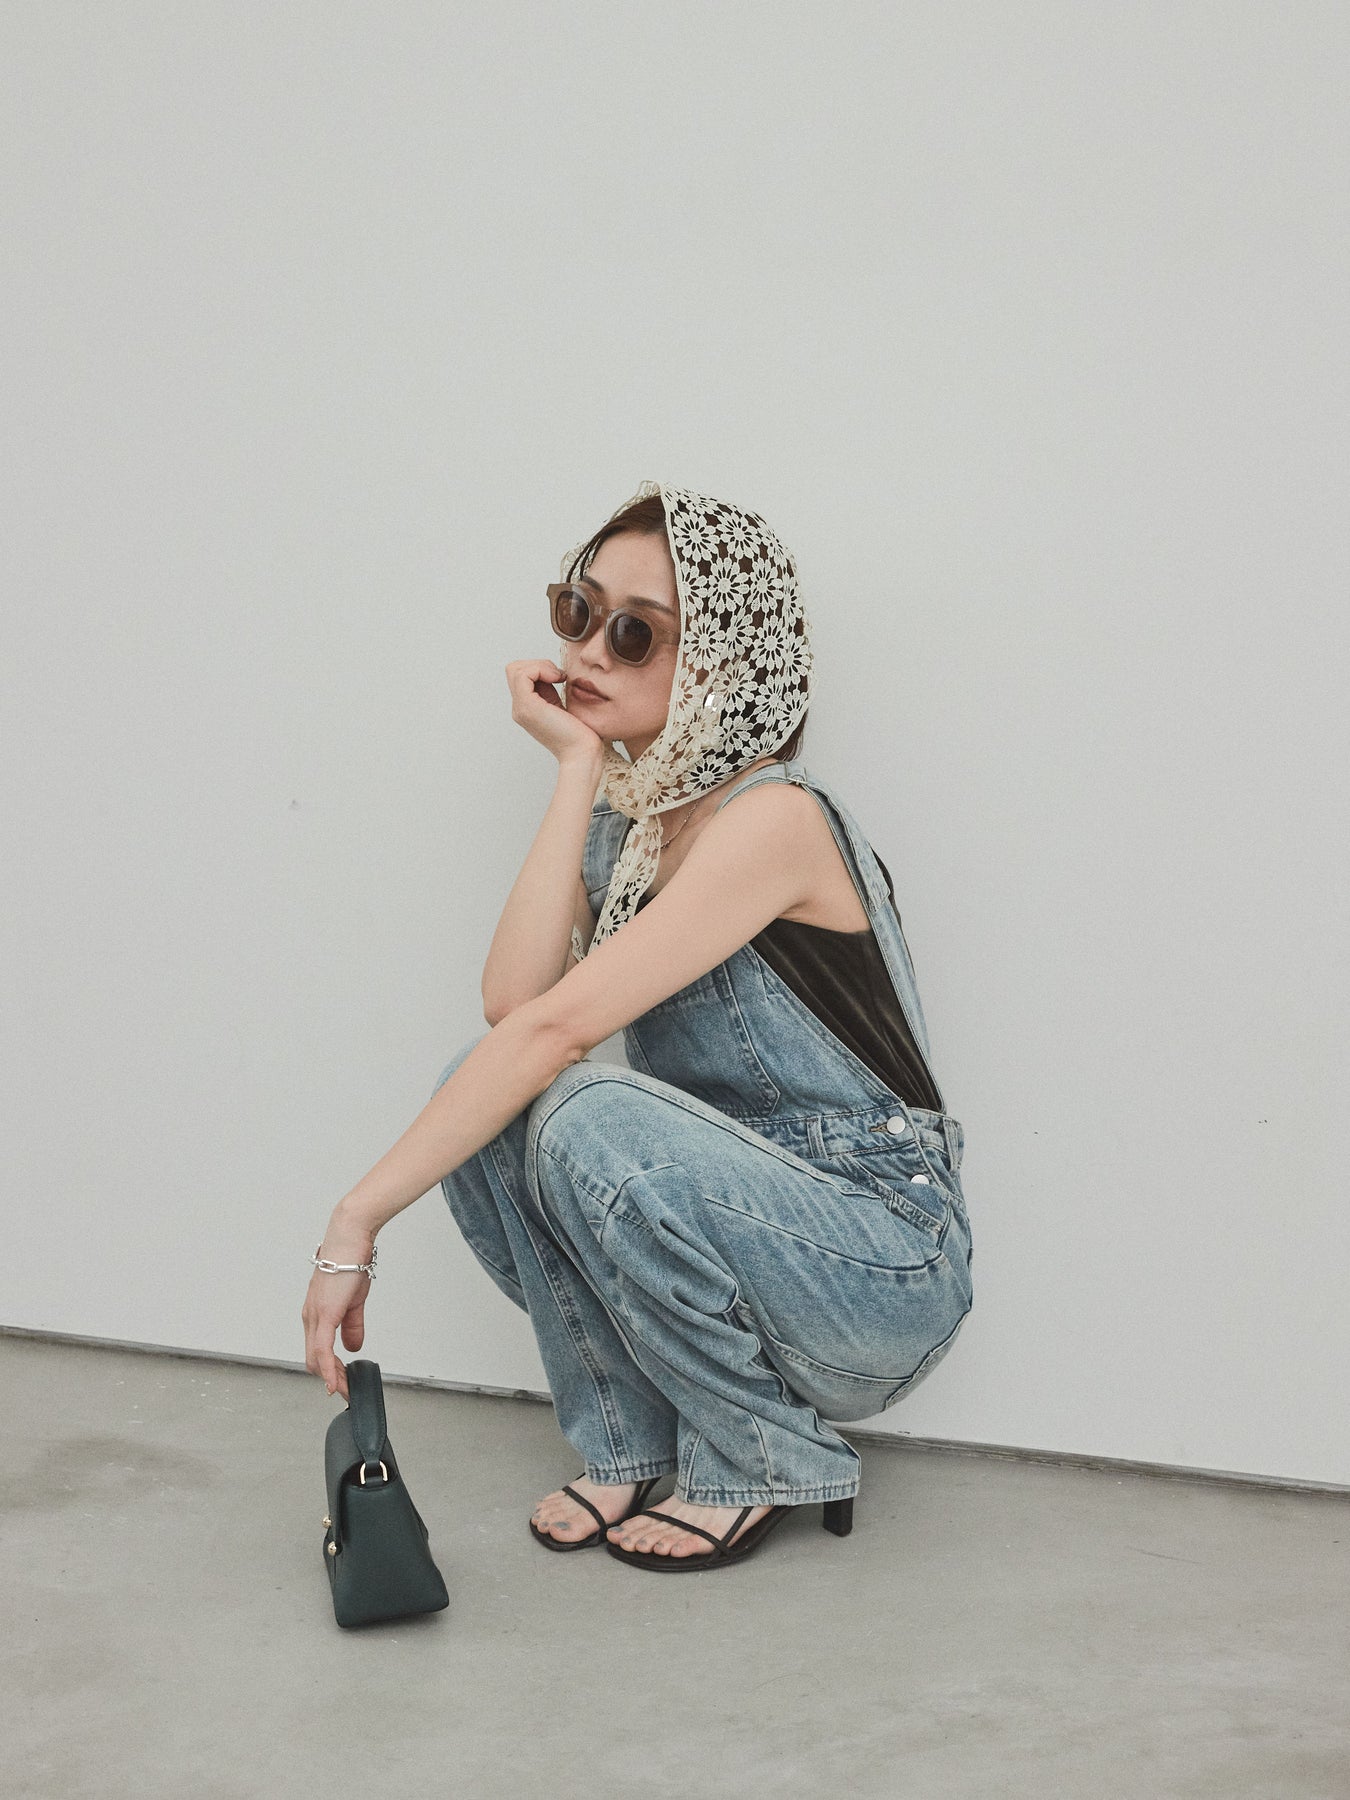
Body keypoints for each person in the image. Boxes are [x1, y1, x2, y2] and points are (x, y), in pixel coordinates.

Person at [301, 480, 973, 1572]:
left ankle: (762, 1454)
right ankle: (626, 1443)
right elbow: (513, 1007)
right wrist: (578, 769)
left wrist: (356, 1219)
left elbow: (554, 1033)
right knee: (487, 1082)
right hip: (745, 1235)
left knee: (578, 1103)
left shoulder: (775, 819)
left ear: (720, 664)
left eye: (634, 632)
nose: (588, 650)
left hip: (877, 1262)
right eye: (579, 610)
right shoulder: (635, 826)